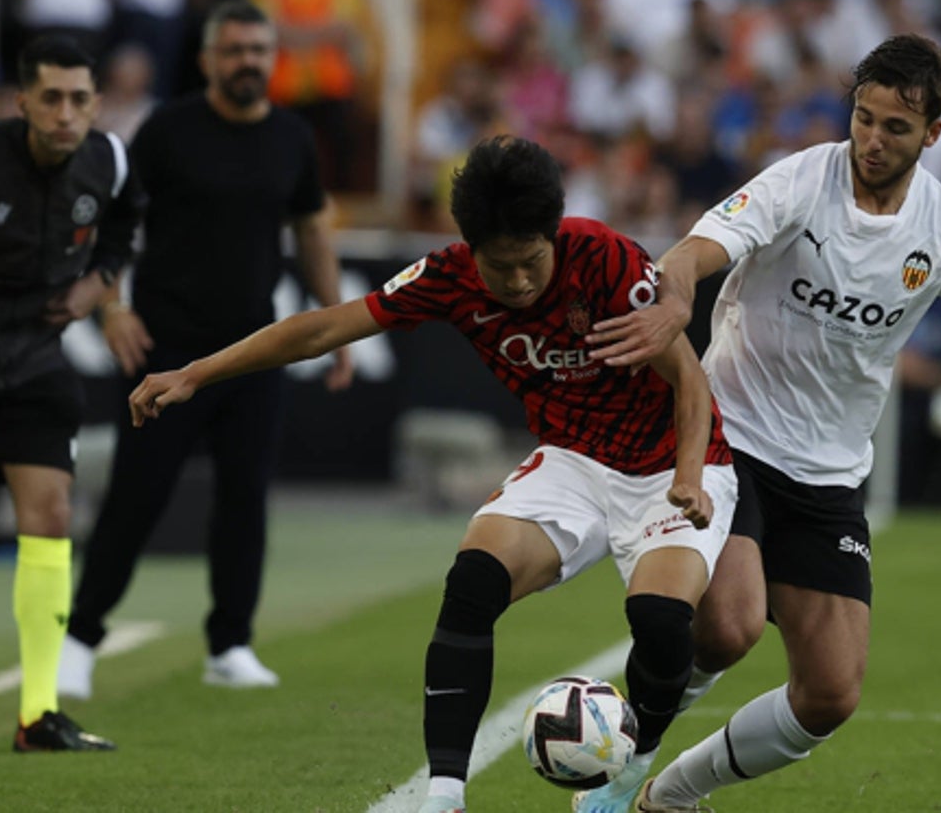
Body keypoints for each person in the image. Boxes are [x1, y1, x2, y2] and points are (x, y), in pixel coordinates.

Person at [581, 33, 941, 812]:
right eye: (864, 119)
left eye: (895, 127)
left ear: (934, 135)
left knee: (829, 695)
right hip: (731, 438)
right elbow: (693, 249)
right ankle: (619, 774)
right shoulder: (799, 180)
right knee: (727, 627)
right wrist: (678, 291)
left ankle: (671, 794)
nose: (872, 141)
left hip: (828, 472)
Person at [123, 134, 738, 813]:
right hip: (573, 461)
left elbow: (689, 377)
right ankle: (443, 796)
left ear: (553, 236)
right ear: (471, 248)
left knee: (658, 619)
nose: (521, 282)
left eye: (533, 261)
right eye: (501, 268)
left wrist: (686, 476)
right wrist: (195, 373)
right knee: (472, 580)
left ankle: (629, 770)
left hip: (672, 464)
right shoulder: (447, 276)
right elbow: (323, 329)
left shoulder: (607, 260)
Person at [57, 0, 353, 698]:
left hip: (255, 352)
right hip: (164, 349)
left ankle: (231, 645)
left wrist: (337, 326)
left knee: (245, 499)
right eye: (235, 50)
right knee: (136, 498)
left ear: (272, 56)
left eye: (259, 49)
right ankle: (80, 639)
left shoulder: (292, 136)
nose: (248, 60)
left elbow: (312, 229)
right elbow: (114, 221)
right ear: (207, 58)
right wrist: (114, 307)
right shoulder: (168, 130)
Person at [0, 34, 143, 752]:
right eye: (51, 98)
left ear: (96, 104)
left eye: (79, 99)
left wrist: (98, 291)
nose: (66, 113)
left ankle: (36, 715)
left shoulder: (110, 159)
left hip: (37, 362)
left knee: (50, 517)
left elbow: (123, 229)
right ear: (23, 102)